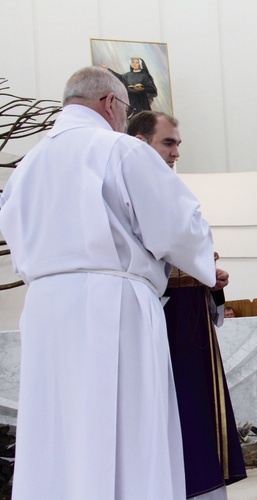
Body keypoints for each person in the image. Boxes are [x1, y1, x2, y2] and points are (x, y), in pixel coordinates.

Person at [0, 66, 216, 499]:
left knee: (58, 427)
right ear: (109, 103)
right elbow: (180, 227)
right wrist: (199, 256)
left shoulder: (25, 168)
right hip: (112, 303)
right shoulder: (120, 149)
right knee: (125, 426)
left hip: (44, 307)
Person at [127, 110, 247, 499]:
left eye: (178, 143)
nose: (176, 152)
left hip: (189, 322)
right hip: (158, 320)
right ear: (141, 142)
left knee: (198, 419)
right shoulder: (131, 187)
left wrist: (211, 283)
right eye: (168, 142)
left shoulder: (169, 188)